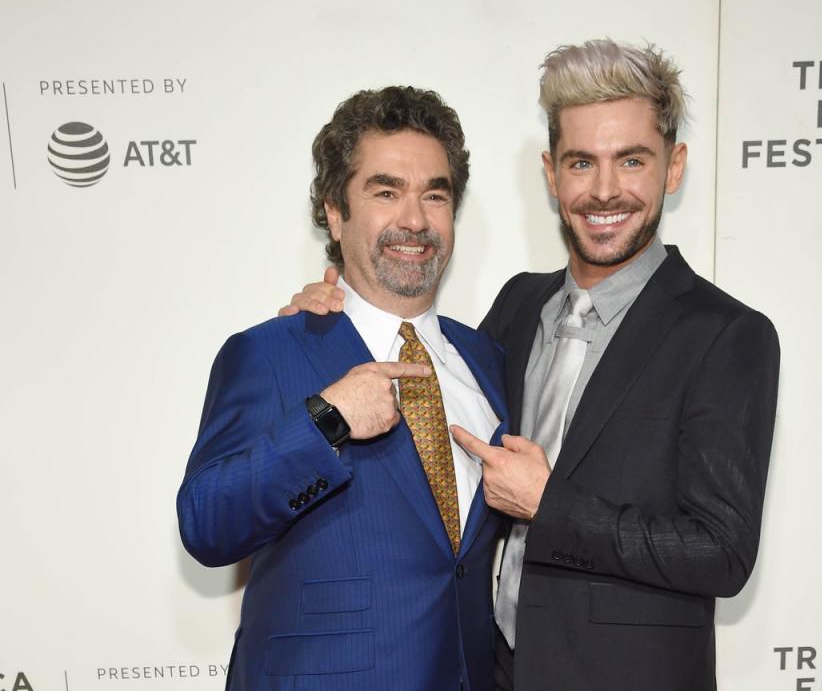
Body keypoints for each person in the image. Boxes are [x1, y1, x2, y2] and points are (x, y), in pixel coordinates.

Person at [283, 40, 780, 691]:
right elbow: (433, 420)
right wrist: (341, 316)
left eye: (631, 160)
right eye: (581, 162)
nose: (604, 190)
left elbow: (722, 553)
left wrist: (552, 507)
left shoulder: (727, 336)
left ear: (674, 166)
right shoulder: (521, 304)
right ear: (551, 173)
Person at [178, 86, 507, 691]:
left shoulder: (485, 359)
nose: (414, 219)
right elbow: (205, 524)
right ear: (334, 211)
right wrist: (324, 420)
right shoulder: (269, 352)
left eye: (434, 195)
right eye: (386, 192)